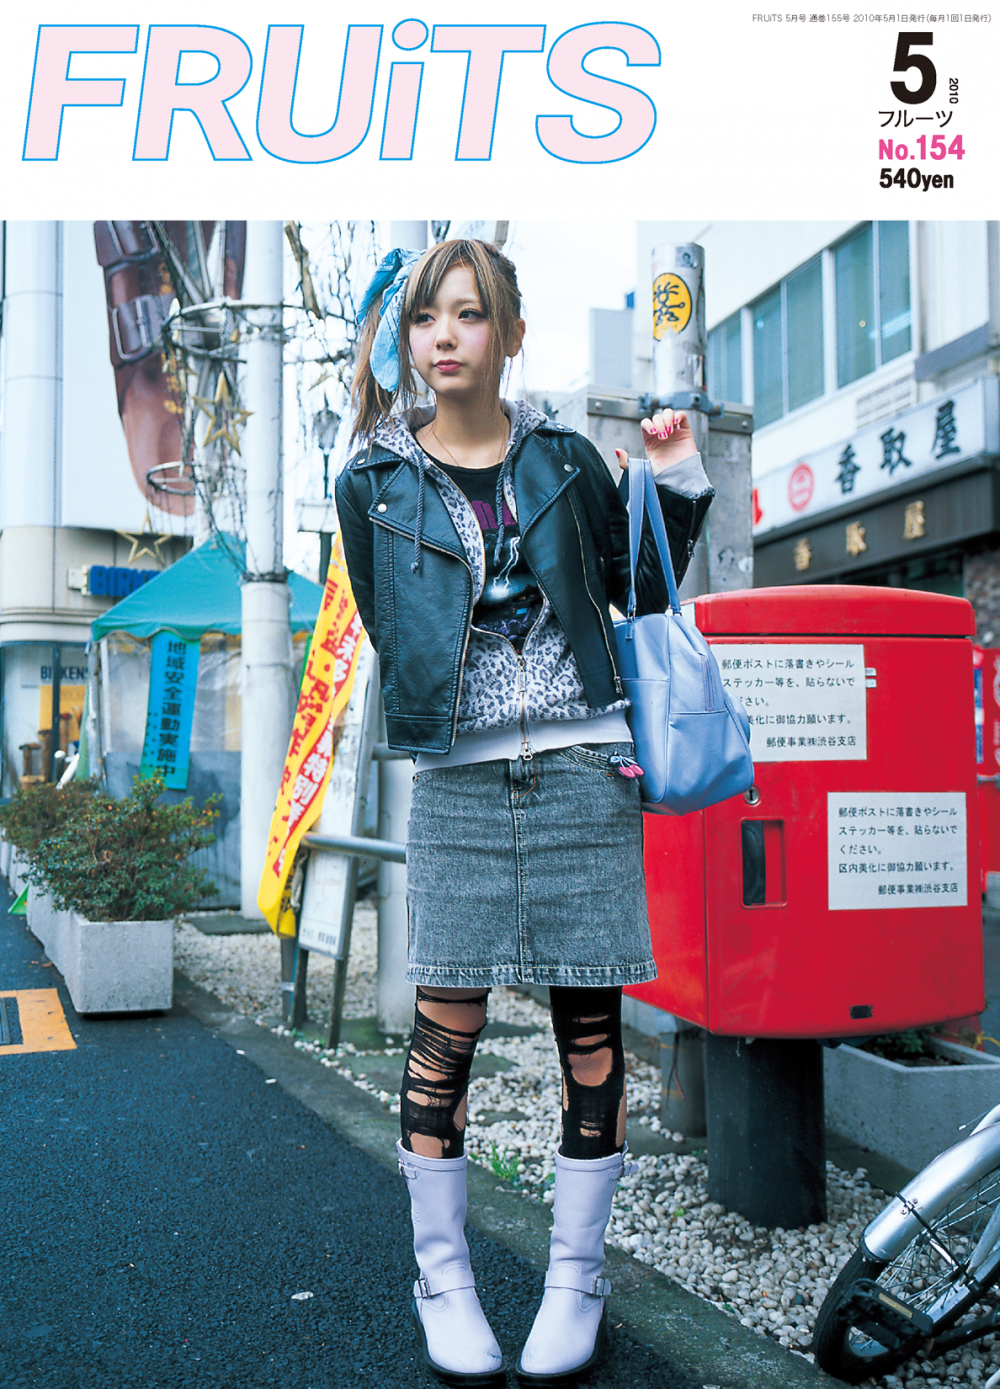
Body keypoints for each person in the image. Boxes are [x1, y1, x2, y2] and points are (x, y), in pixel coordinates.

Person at [335, 239, 714, 1389]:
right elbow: (392, 624)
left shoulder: (563, 458)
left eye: (467, 315)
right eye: (425, 319)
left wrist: (676, 480)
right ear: (408, 339)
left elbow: (634, 590)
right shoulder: (372, 482)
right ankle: (442, 1280)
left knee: (588, 1034)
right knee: (442, 1032)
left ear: (507, 334)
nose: (443, 337)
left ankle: (574, 1280)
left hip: (581, 768)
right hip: (456, 782)